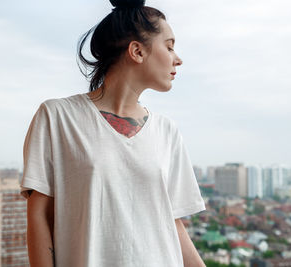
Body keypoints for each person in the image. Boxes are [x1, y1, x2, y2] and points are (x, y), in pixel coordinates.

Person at [20, 0, 206, 266]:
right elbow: (39, 216)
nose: (178, 58)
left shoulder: (167, 131)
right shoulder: (57, 117)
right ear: (137, 51)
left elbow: (171, 224)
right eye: (169, 46)